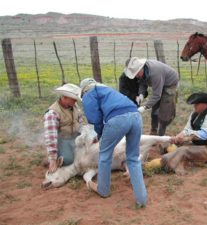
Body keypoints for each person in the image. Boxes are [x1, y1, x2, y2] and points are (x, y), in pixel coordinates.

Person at [80, 78, 147, 207]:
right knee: (133, 158)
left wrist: (100, 135)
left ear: (83, 90)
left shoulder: (89, 93)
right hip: (136, 116)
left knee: (104, 155)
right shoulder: (108, 90)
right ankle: (142, 199)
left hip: (118, 120)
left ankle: (103, 190)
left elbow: (95, 118)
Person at [144, 92, 207, 175]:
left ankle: (159, 164)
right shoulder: (195, 114)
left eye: (196, 103)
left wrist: (186, 137)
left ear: (205, 104)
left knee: (183, 150)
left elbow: (203, 135)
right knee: (169, 142)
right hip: (197, 144)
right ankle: (175, 155)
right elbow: (186, 130)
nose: (194, 106)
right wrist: (178, 137)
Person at [124, 57, 179, 136]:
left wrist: (145, 107)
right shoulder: (143, 72)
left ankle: (161, 134)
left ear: (141, 69)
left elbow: (157, 95)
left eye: (136, 74)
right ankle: (153, 130)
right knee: (155, 109)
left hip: (170, 83)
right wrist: (141, 95)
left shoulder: (155, 73)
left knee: (165, 111)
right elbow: (142, 82)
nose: (136, 76)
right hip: (160, 82)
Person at [43, 83, 83, 173]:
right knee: (68, 160)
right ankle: (53, 159)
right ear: (64, 97)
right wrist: (52, 158)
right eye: (73, 99)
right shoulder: (52, 113)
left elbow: (80, 124)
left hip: (75, 138)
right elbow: (51, 137)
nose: (75, 102)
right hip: (62, 140)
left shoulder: (74, 106)